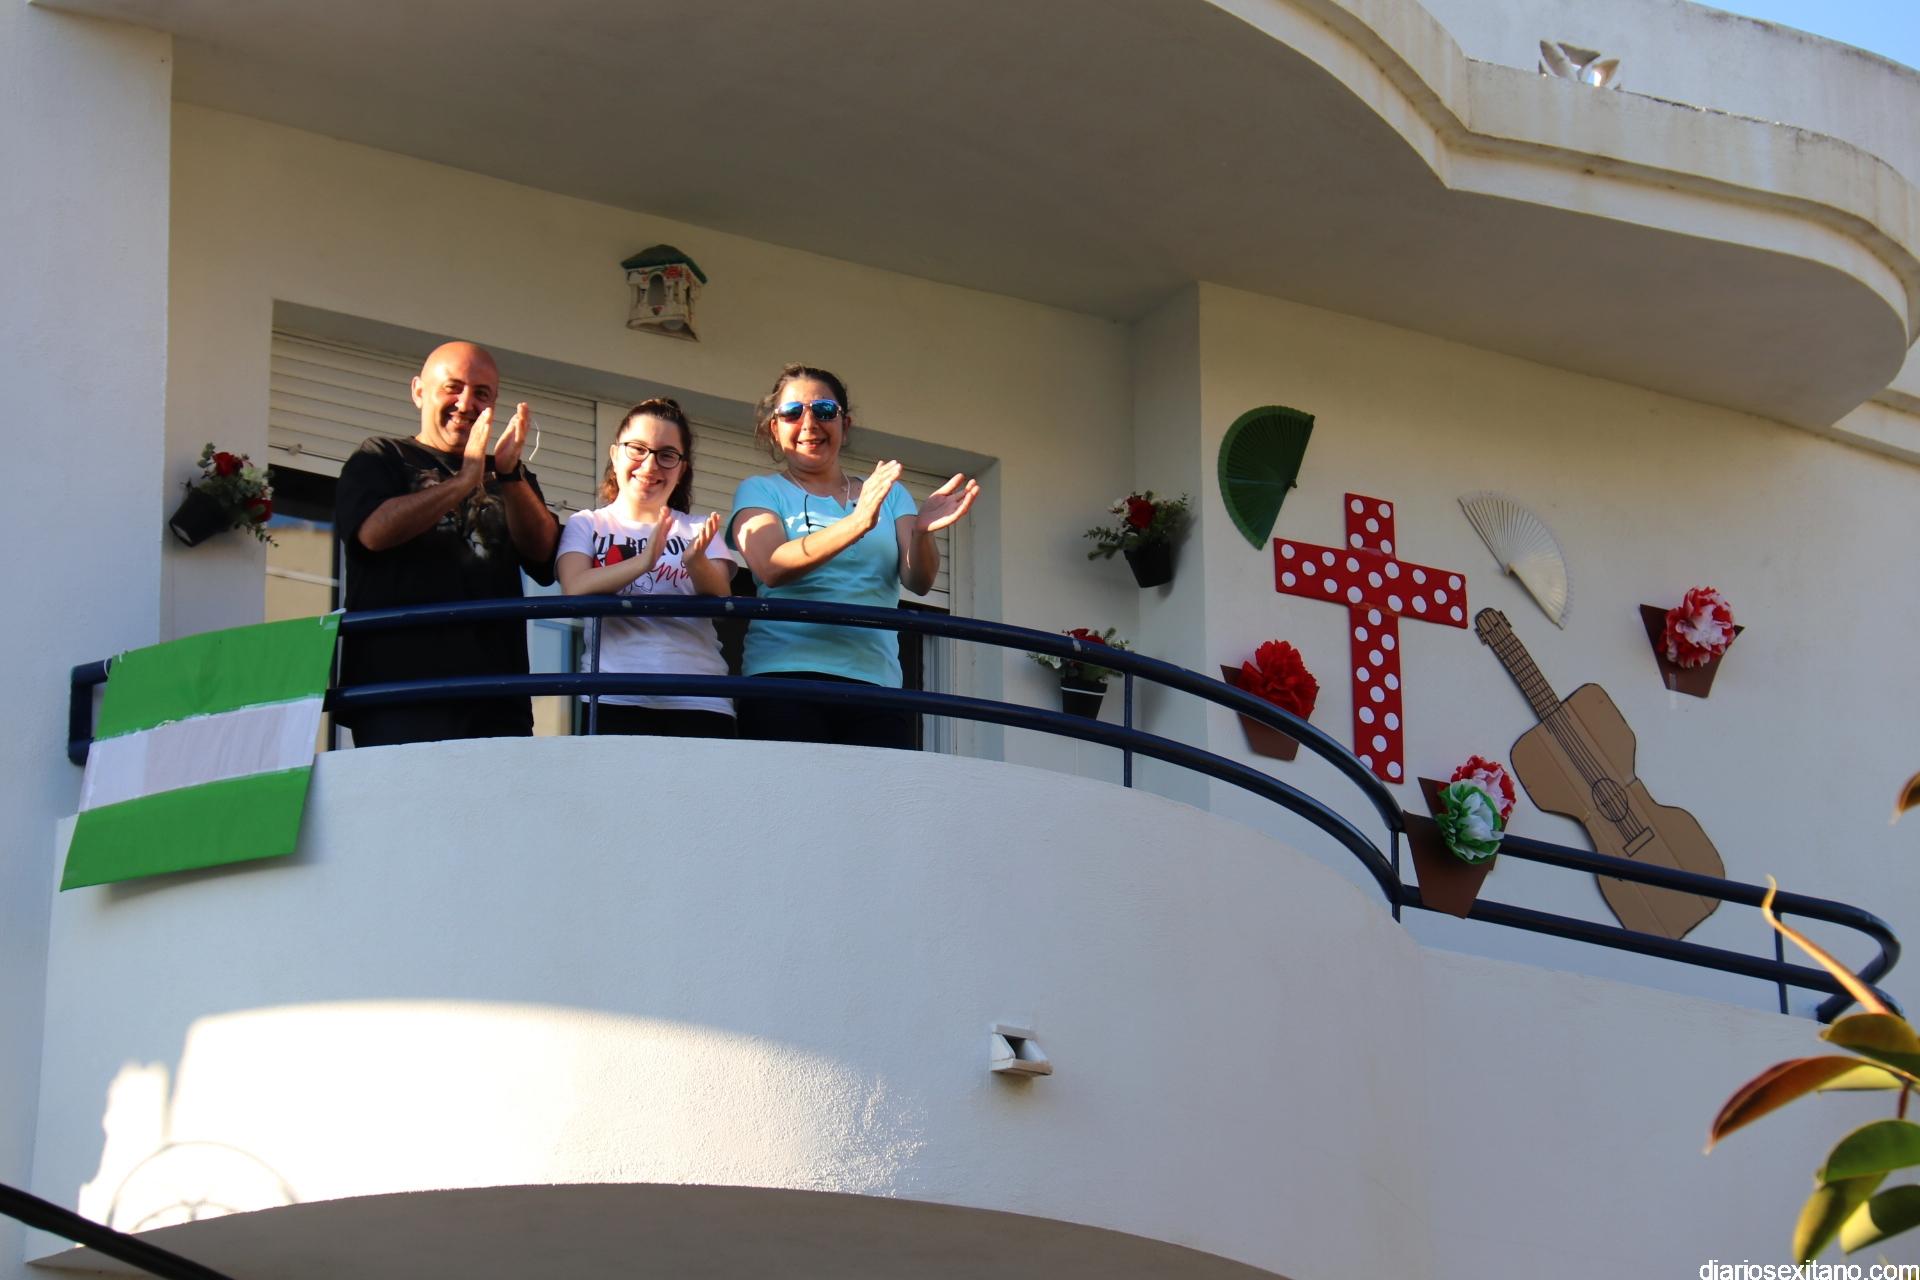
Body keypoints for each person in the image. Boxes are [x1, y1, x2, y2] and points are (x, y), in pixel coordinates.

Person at [727, 363, 980, 748]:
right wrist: (858, 522)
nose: (809, 424)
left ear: (845, 424)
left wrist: (923, 533)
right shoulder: (760, 490)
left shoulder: (889, 494)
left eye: (824, 410)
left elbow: (919, 581)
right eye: (792, 412)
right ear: (774, 428)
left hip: (875, 682)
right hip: (784, 677)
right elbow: (771, 565)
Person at [334, 340, 560, 747]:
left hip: (496, 698)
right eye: (453, 387)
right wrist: (463, 481)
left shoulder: (510, 475)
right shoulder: (381, 457)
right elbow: (372, 533)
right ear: (419, 391)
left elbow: (544, 557)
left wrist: (509, 476)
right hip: (398, 694)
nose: (466, 403)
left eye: (482, 393)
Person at [556, 398, 737, 737]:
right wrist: (643, 561)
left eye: (667, 455)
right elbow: (574, 586)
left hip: (700, 698)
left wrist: (695, 561)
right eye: (637, 449)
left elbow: (721, 597)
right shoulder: (587, 523)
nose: (650, 465)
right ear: (615, 455)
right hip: (613, 695)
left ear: (681, 469)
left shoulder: (698, 527)